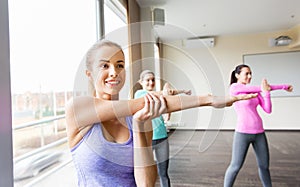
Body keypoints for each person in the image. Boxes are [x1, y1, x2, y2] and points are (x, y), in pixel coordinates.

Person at [65, 39, 257, 187]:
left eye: (120, 65)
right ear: (89, 74)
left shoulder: (138, 117)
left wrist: (140, 128)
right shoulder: (77, 108)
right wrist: (207, 99)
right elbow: (138, 103)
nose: (114, 71)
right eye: (104, 65)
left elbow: (146, 184)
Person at [224, 64, 293, 187]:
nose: (249, 76)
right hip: (243, 133)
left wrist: (266, 93)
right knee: (235, 166)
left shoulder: (255, 92)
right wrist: (283, 86)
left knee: (264, 166)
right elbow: (260, 88)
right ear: (237, 75)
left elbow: (268, 109)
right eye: (246, 74)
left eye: (251, 73)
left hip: (259, 133)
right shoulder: (234, 88)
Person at [134, 70, 191, 187]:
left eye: (153, 80)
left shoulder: (159, 96)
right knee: (147, 175)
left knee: (163, 173)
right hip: (147, 140)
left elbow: (168, 95)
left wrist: (182, 91)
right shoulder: (139, 94)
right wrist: (167, 90)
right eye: (147, 80)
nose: (151, 82)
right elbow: (162, 93)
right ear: (141, 82)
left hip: (162, 137)